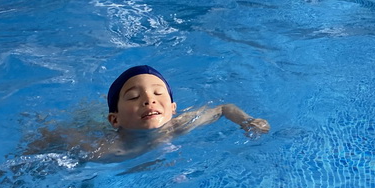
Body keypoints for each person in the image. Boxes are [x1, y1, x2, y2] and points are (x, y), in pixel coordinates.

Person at [99, 65, 269, 159]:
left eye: (158, 93)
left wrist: (247, 120)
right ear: (114, 120)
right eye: (134, 96)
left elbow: (224, 109)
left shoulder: (180, 125)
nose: (149, 100)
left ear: (173, 108)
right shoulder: (107, 149)